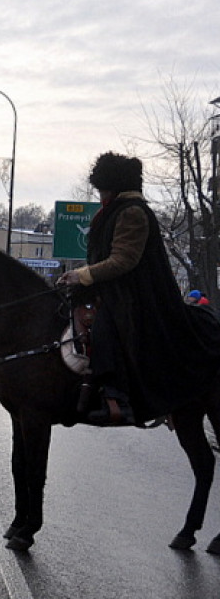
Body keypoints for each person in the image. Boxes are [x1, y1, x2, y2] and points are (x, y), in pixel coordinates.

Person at [58, 151, 220, 425]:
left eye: (103, 189)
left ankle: (116, 396)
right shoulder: (113, 211)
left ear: (114, 186)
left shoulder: (132, 213)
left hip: (136, 295)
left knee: (105, 326)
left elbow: (123, 260)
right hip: (112, 289)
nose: (100, 194)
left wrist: (82, 275)